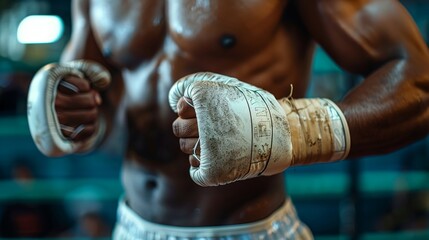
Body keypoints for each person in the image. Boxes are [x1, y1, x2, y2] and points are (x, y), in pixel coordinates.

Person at [26, 0, 429, 239]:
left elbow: (417, 81)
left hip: (251, 229)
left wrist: (285, 128)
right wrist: (73, 116)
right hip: (133, 226)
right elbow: (99, 110)